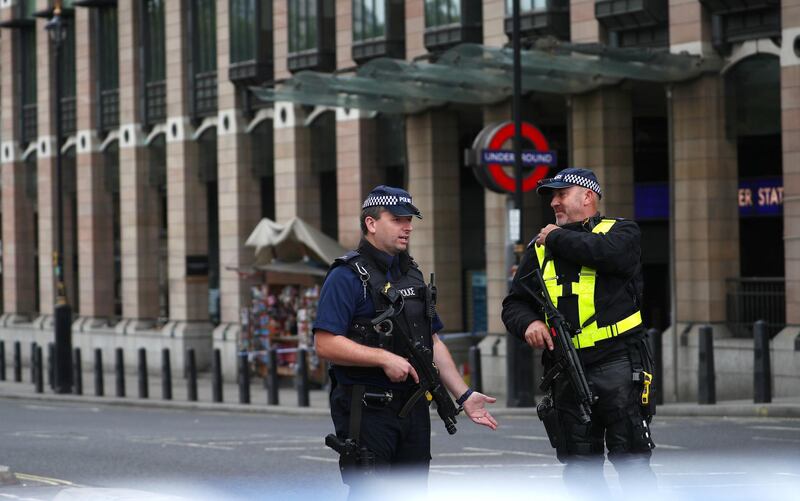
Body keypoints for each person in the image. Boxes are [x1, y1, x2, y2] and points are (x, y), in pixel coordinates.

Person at [314, 185, 497, 498]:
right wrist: (383, 358)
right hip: (368, 409)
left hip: (413, 410)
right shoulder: (345, 276)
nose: (407, 226)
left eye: (410, 219)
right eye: (398, 219)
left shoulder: (411, 273)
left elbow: (432, 341)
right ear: (371, 223)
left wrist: (463, 394)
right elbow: (326, 343)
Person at [501, 168, 656, 494]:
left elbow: (607, 254)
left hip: (618, 363)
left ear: (588, 196)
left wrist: (556, 236)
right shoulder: (539, 248)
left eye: (561, 194)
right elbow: (514, 304)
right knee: (580, 467)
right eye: (551, 197)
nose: (554, 202)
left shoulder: (621, 231)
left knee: (632, 461)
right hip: (567, 370)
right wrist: (529, 323)